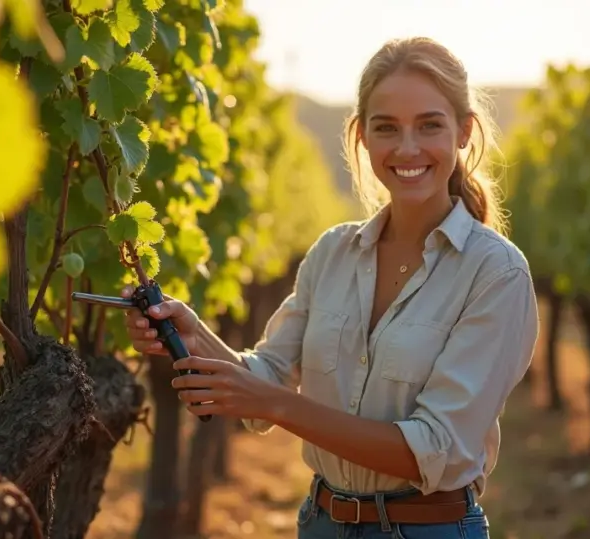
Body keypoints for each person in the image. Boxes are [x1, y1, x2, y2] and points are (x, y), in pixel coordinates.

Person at [121, 36, 539, 539]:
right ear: (362, 136)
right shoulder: (333, 254)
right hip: (320, 524)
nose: (407, 148)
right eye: (387, 128)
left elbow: (434, 448)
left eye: (429, 125)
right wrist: (192, 335)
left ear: (465, 131)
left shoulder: (496, 274)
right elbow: (268, 376)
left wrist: (274, 404)